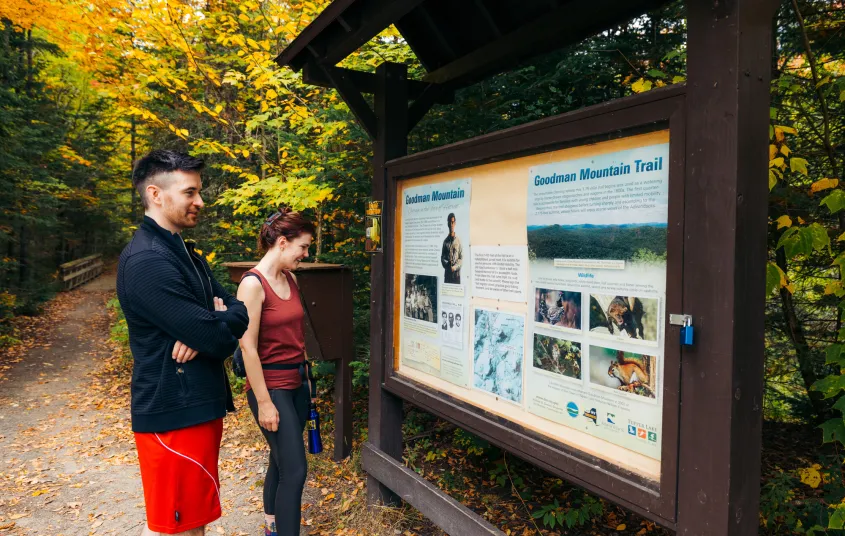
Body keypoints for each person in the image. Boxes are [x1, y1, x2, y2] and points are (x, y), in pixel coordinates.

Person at [116, 150, 249, 536]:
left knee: (194, 524)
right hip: (172, 413)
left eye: (198, 191)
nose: (200, 201)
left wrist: (210, 322)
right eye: (190, 192)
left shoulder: (184, 253)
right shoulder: (147, 261)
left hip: (196, 406)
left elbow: (239, 311)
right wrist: (209, 327)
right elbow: (218, 341)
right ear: (156, 194)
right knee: (175, 530)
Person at [237, 208, 316, 536]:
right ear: (283, 242)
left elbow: (298, 337)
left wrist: (308, 383)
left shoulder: (291, 280)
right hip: (270, 387)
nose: (305, 254)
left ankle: (273, 527)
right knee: (295, 471)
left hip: (297, 384)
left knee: (280, 460)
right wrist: (264, 402)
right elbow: (248, 348)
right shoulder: (252, 285)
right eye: (303, 247)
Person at [441, 213, 463, 284]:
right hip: (447, 276)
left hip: (456, 276)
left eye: (453, 222)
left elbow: (461, 258)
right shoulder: (445, 242)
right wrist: (447, 265)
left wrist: (454, 267)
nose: (451, 224)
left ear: (455, 223)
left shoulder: (458, 241)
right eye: (450, 222)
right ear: (447, 223)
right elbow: (442, 258)